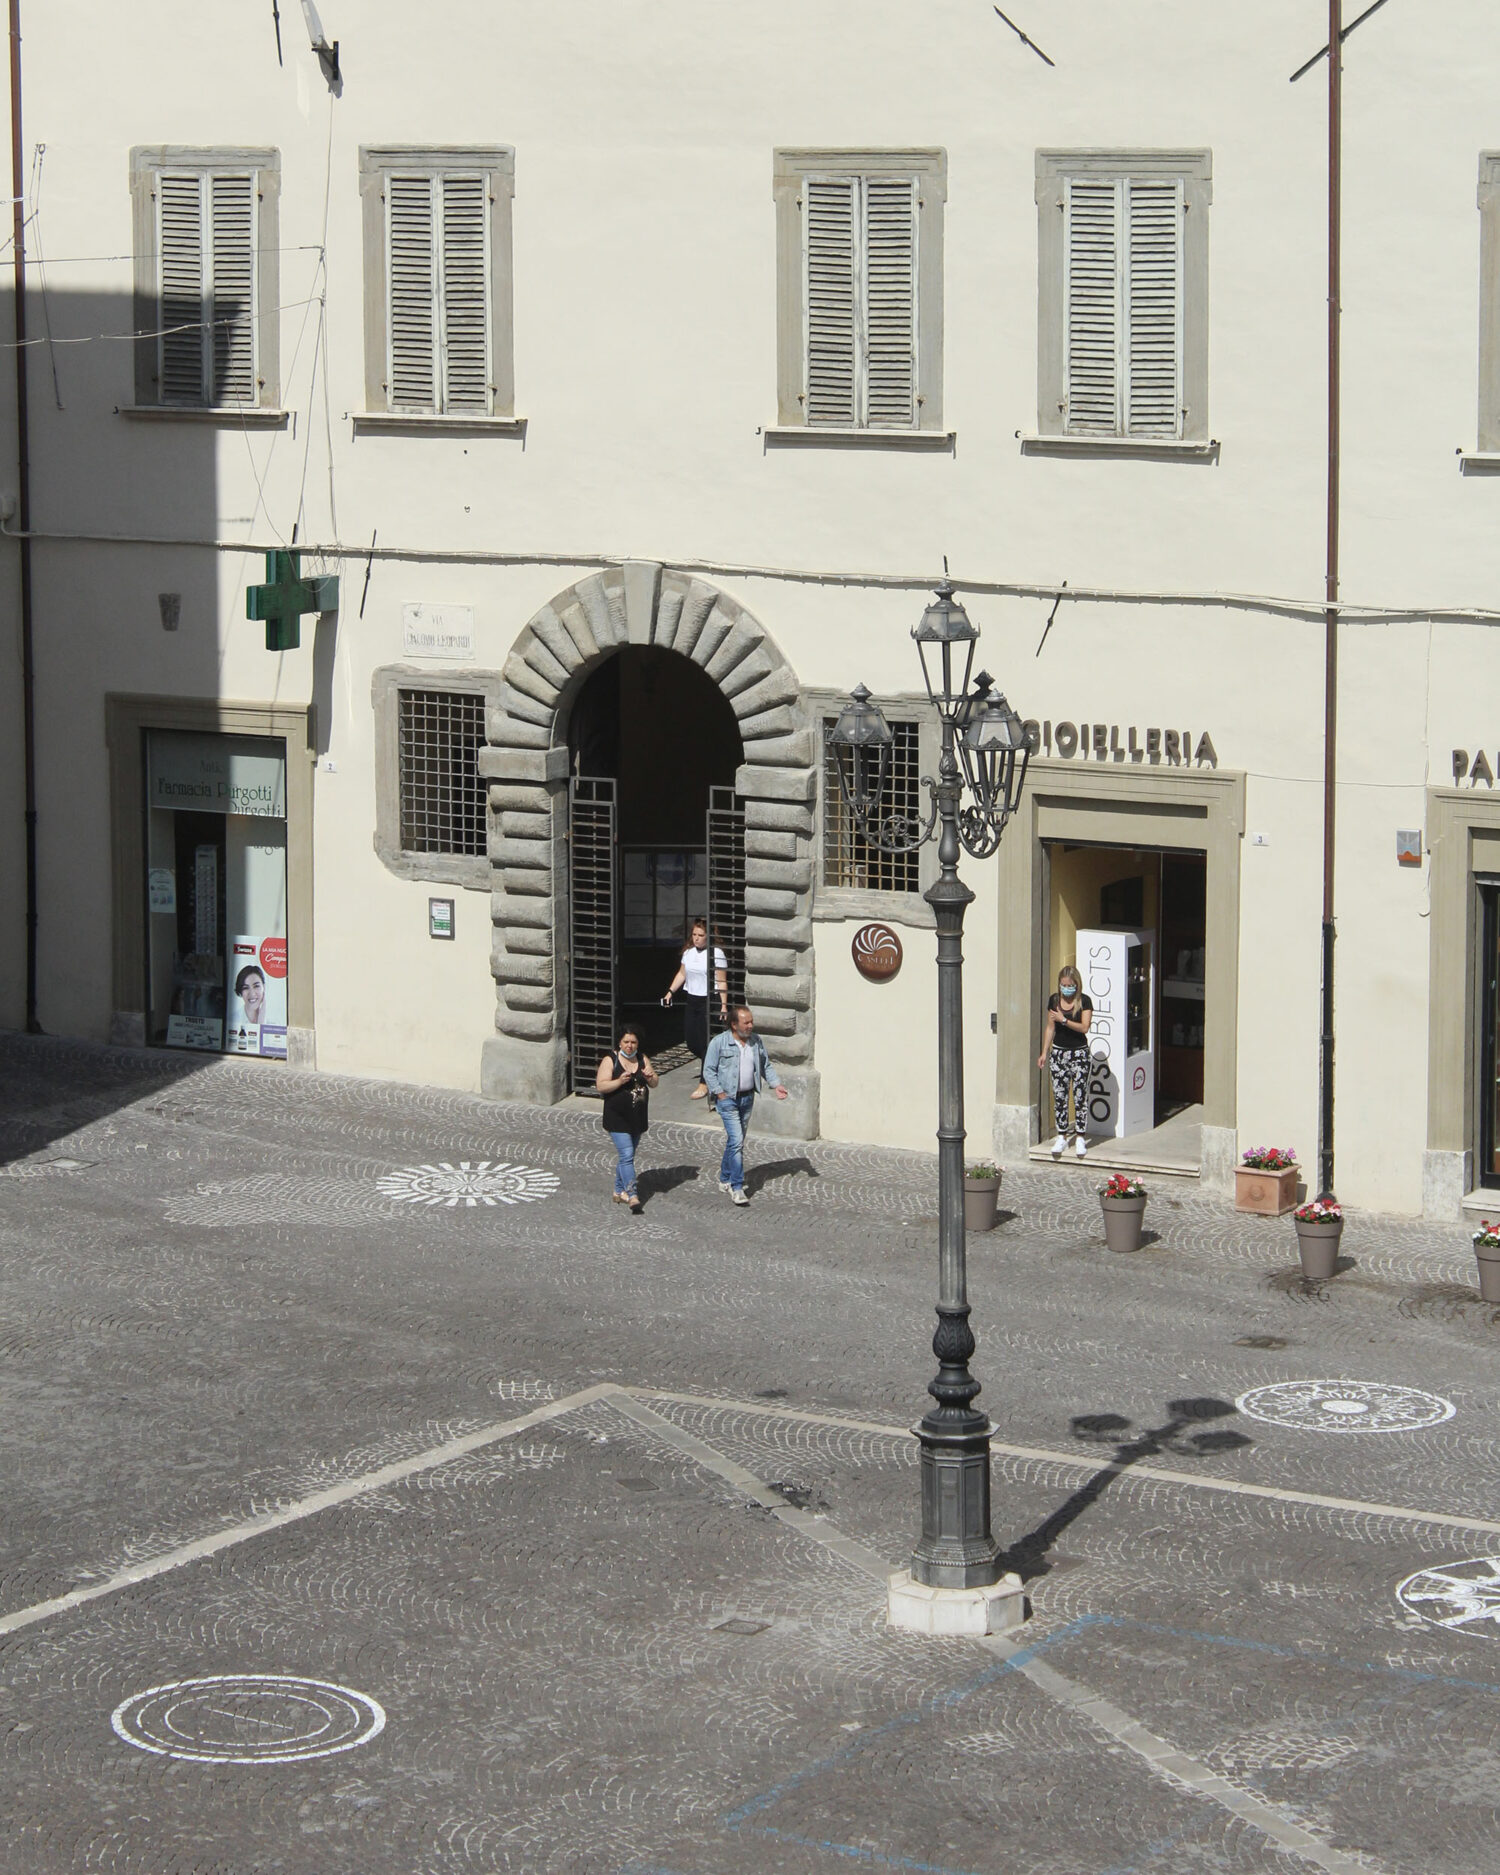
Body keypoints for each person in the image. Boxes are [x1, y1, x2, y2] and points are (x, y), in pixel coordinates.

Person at [703, 1003, 788, 1205]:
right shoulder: (719, 1043)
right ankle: (737, 1186)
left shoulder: (756, 1041)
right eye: (746, 1022)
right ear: (734, 1024)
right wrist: (720, 1093)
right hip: (728, 1099)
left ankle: (724, 1178)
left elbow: (765, 1065)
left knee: (735, 1141)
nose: (750, 1026)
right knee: (737, 1141)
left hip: (747, 1097)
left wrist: (776, 1085)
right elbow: (708, 1070)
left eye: (751, 1022)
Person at [663, 917, 728, 1099]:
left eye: (700, 935)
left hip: (710, 999)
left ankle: (704, 1082)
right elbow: (682, 974)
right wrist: (670, 992)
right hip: (693, 999)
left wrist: (723, 1005)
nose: (696, 938)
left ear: (708, 936)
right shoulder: (689, 953)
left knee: (705, 1041)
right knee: (692, 1042)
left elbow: (722, 981)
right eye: (694, 935)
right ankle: (714, 1064)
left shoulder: (716, 953)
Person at [596, 1023, 658, 1212]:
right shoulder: (610, 1060)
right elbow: (601, 1086)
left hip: (637, 1117)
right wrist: (619, 1081)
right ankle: (632, 1195)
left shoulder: (642, 1058)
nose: (629, 1046)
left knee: (626, 1157)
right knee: (627, 1155)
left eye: (633, 1042)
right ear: (620, 1043)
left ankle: (618, 1191)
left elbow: (655, 1082)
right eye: (626, 1042)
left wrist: (650, 1077)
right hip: (617, 1117)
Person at [1038, 964, 1094, 1159]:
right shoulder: (1054, 1000)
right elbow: (1050, 1028)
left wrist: (1064, 1020)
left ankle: (1080, 1136)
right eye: (1063, 985)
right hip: (1059, 1053)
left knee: (1080, 1095)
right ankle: (1061, 1135)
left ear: (1076, 984)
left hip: (1079, 1054)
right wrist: (1044, 1052)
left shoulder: (1084, 1001)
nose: (1066, 989)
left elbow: (1084, 1027)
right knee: (1060, 1095)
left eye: (1070, 985)